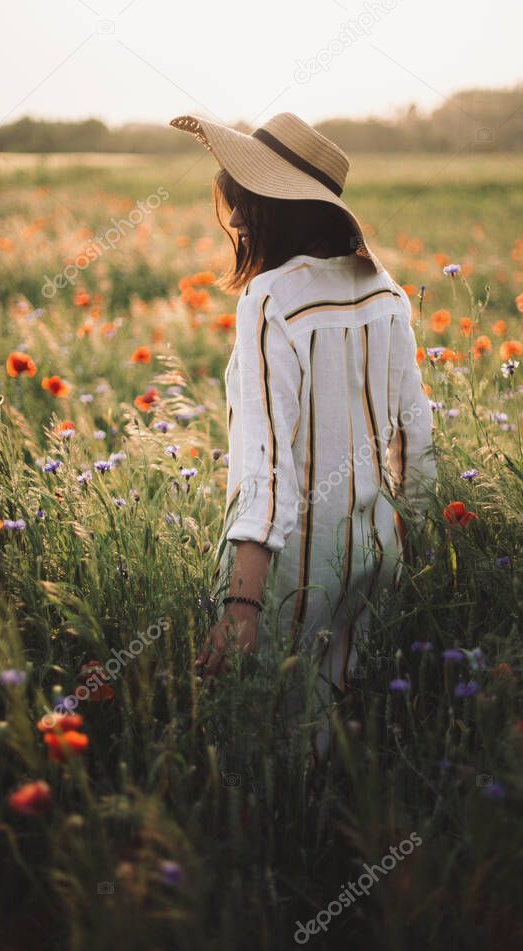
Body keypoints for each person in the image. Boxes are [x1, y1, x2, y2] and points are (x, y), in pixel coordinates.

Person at [169, 111, 436, 763]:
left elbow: (266, 466)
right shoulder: (385, 290)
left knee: (262, 754)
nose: (230, 217)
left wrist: (242, 599)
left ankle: (270, 856)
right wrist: (418, 536)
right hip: (375, 557)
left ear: (265, 209)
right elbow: (416, 435)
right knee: (343, 730)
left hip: (290, 571)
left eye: (238, 198)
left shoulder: (270, 299)